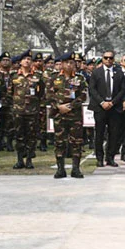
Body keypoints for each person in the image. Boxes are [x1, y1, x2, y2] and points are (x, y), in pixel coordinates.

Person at [48, 51, 88, 179]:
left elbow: (83, 95)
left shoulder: (79, 78)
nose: (70, 65)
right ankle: (60, 169)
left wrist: (70, 106)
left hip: (74, 115)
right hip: (59, 115)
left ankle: (76, 169)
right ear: (62, 64)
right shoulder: (54, 78)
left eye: (72, 63)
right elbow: (48, 95)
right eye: (67, 63)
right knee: (59, 141)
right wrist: (59, 107)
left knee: (76, 142)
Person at [89, 50, 125, 167]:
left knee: (114, 133)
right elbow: (92, 89)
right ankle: (99, 158)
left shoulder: (119, 73)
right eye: (106, 58)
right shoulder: (96, 72)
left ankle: (110, 157)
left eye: (110, 58)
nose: (108, 60)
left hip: (114, 108)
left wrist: (113, 102)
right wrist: (102, 102)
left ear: (114, 59)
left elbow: (122, 90)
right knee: (99, 133)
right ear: (102, 59)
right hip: (100, 107)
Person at [9, 53, 44, 169]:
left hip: (32, 111)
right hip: (18, 111)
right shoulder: (14, 76)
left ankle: (29, 160)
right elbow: (9, 92)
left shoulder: (38, 76)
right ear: (20, 62)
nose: (27, 61)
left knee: (31, 136)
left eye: (29, 59)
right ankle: (19, 160)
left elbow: (41, 93)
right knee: (19, 135)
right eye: (24, 59)